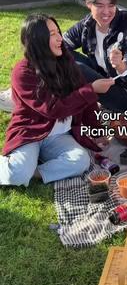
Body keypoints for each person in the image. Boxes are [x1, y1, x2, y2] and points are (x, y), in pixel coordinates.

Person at [0, 13, 114, 187]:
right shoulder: (23, 72)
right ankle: (22, 167)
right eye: (52, 34)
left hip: (59, 135)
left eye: (58, 31)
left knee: (81, 161)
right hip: (31, 132)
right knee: (15, 176)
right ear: (38, 40)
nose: (60, 38)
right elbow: (54, 109)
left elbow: (88, 103)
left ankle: (36, 172)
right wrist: (91, 89)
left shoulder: (66, 61)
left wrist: (97, 132)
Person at [63, 0, 127, 112]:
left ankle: (71, 102)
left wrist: (120, 65)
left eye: (111, 5)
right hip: (104, 78)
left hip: (126, 96)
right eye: (100, 6)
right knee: (62, 55)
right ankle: (65, 97)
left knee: (75, 68)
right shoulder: (88, 24)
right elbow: (61, 45)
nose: (106, 12)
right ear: (88, 3)